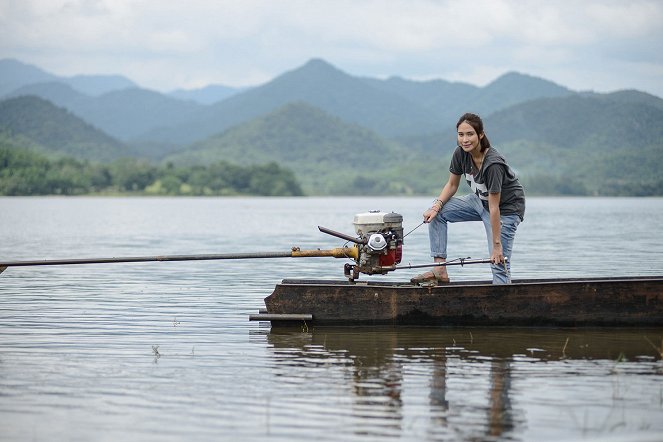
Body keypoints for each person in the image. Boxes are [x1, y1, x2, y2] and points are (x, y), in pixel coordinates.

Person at [411, 113, 525, 285]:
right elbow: (451, 185)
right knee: (438, 212)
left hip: (505, 210)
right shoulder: (460, 154)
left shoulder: (493, 164)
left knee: (498, 262)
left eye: (470, 134)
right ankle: (440, 270)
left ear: (480, 134)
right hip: (479, 201)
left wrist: (496, 246)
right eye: (461, 134)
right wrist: (436, 206)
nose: (465, 139)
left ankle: (502, 304)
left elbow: (494, 208)